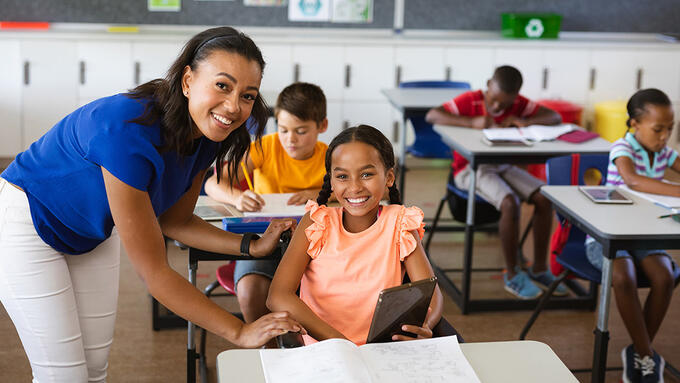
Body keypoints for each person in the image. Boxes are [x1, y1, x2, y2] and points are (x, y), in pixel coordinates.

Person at [0, 26, 306, 382]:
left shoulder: (205, 133)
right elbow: (156, 273)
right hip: (28, 223)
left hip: (90, 232)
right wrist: (239, 331)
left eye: (248, 95)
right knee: (64, 376)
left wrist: (251, 247)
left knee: (94, 370)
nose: (234, 106)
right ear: (188, 81)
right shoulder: (125, 129)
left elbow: (176, 221)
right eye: (222, 85)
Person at [267, 124, 450, 346]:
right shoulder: (316, 222)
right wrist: (341, 343)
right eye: (342, 176)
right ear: (331, 182)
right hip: (327, 351)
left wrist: (426, 325)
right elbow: (277, 296)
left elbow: (430, 292)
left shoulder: (400, 223)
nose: (354, 187)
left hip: (384, 350)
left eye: (366, 174)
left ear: (389, 177)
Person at [425, 65, 567, 300]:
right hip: (470, 169)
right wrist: (471, 123)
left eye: (506, 103)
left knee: (544, 198)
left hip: (502, 166)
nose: (498, 107)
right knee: (509, 202)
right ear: (488, 84)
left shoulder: (519, 105)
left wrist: (523, 120)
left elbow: (555, 117)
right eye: (495, 100)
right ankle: (512, 275)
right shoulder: (470, 101)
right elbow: (433, 115)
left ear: (516, 95)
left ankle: (540, 269)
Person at [204, 82, 328, 333]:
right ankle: (266, 346)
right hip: (263, 242)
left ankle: (308, 346)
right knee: (250, 288)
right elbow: (213, 184)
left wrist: (322, 193)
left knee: (328, 290)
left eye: (301, 131)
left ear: (322, 126)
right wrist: (236, 197)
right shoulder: (265, 147)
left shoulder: (332, 157)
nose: (290, 139)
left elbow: (360, 191)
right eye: (283, 130)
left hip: (315, 249)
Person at [586, 88, 678, 383]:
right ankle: (647, 355)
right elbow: (633, 180)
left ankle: (639, 354)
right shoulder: (622, 149)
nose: (664, 137)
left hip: (643, 236)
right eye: (658, 129)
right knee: (622, 276)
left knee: (665, 276)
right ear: (634, 125)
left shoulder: (665, 152)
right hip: (606, 236)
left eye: (670, 129)